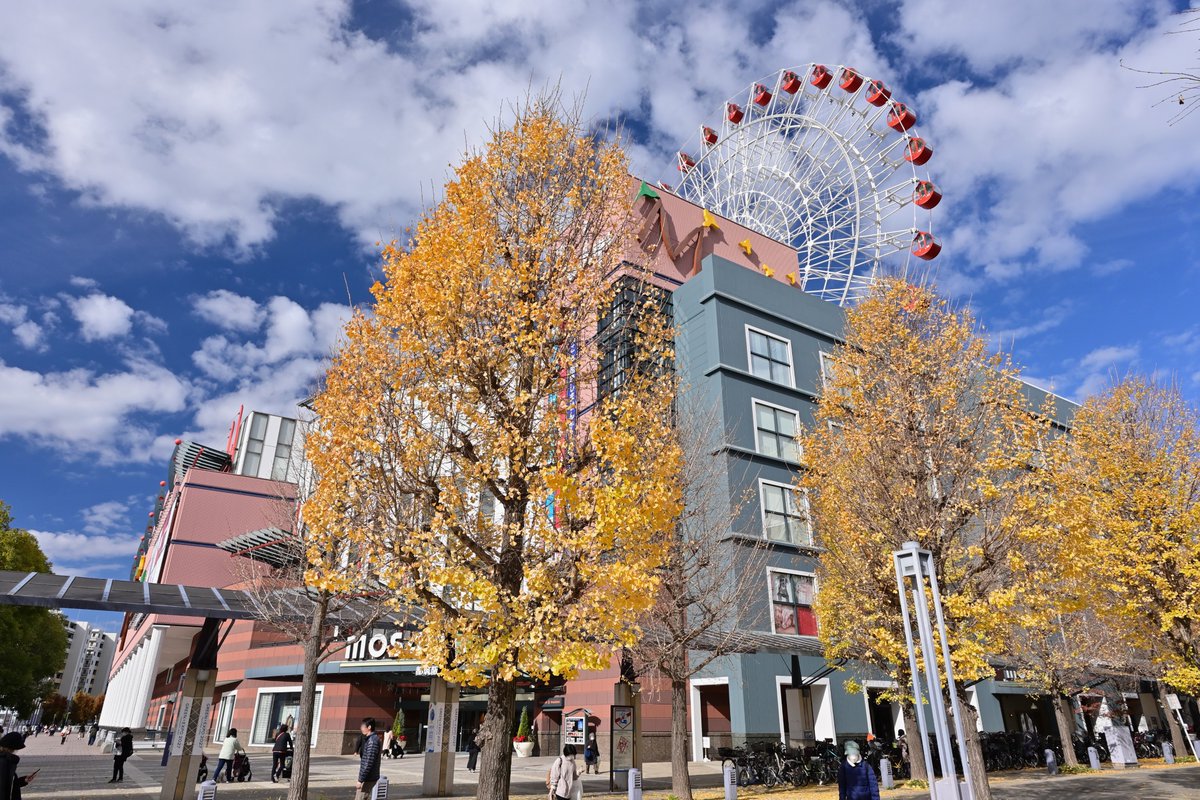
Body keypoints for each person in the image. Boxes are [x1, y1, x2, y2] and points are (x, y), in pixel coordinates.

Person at [0, 731, 35, 800]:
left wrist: (23, 780)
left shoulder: (6, 761)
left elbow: (8, 784)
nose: (15, 751)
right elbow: (2, 788)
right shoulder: (3, 762)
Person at [355, 717, 381, 800]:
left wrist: (360, 780)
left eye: (363, 726)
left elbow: (369, 762)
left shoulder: (372, 741)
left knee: (360, 798)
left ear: (369, 727)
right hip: (368, 777)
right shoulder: (370, 739)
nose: (361, 728)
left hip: (368, 778)